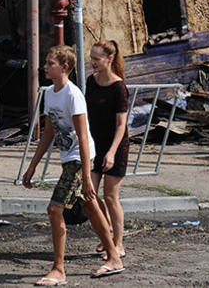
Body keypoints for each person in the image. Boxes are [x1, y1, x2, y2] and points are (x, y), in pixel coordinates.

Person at [23, 45, 126, 285]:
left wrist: (88, 175)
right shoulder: (49, 93)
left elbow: (82, 136)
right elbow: (49, 132)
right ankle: (114, 258)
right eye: (46, 63)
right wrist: (32, 166)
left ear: (64, 67)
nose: (45, 67)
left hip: (79, 160)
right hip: (68, 159)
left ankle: (58, 270)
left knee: (54, 209)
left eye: (50, 63)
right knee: (90, 206)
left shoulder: (73, 94)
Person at [86, 40, 129, 261]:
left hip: (116, 145)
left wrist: (112, 152)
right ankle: (108, 231)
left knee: (111, 196)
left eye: (96, 59)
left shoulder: (119, 87)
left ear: (109, 59)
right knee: (88, 194)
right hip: (95, 144)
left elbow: (121, 125)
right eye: (91, 58)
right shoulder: (90, 82)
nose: (92, 62)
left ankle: (119, 244)